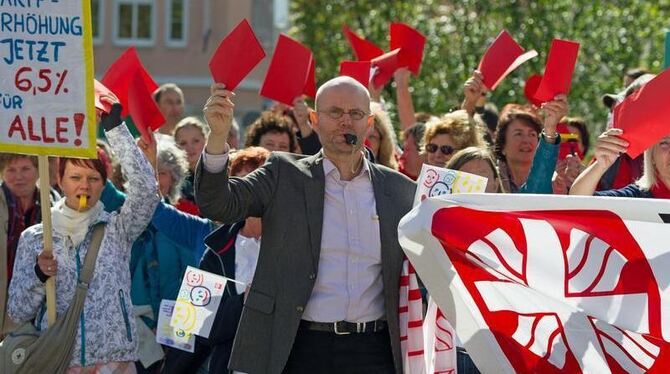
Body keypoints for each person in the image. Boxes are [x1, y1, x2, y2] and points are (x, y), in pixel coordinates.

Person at [196, 76, 416, 373]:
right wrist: (217, 137)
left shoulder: (399, 190)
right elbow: (217, 203)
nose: (345, 122)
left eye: (356, 114)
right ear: (313, 119)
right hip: (300, 347)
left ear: (370, 123)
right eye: (335, 112)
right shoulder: (283, 175)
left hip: (375, 350)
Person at [8, 102, 160, 372]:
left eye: (93, 178)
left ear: (105, 184)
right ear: (60, 180)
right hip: (60, 360)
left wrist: (116, 132)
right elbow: (18, 311)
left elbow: (147, 191)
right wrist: (38, 276)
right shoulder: (35, 237)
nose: (84, 185)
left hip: (116, 362)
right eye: (75, 176)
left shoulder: (118, 228)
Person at [0, 153, 41, 339]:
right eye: (11, 170)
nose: (18, 176)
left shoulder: (51, 206)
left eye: (25, 169)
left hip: (34, 312)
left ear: (38, 170)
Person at [570, 129, 670, 198]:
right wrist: (600, 165)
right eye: (665, 143)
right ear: (651, 156)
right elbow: (578, 201)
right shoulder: (637, 197)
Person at [421, 110, 487, 167]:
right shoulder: (421, 180)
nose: (437, 155)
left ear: (465, 153)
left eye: (446, 150)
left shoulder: (478, 179)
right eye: (432, 148)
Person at [174, 117, 209, 214]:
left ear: (205, 141)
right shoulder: (173, 179)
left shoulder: (218, 171)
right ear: (176, 147)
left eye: (196, 141)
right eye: (183, 143)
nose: (190, 147)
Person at [367, 103, 399, 170]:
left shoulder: (390, 175)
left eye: (372, 137)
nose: (366, 142)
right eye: (361, 136)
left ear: (382, 142)